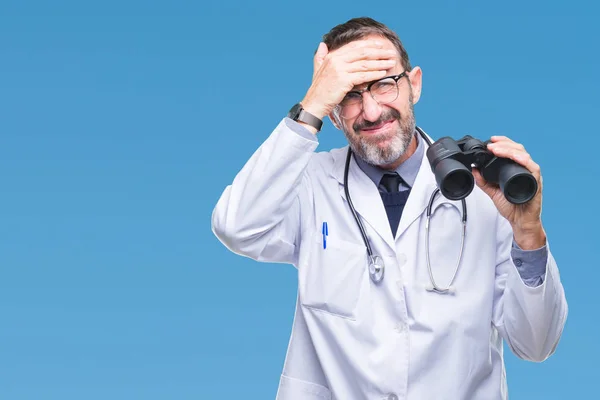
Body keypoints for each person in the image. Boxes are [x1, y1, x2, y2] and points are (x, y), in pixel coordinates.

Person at [211, 17, 568, 400]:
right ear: (332, 111)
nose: (370, 110)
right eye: (348, 94)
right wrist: (311, 103)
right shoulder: (307, 184)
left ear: (413, 84)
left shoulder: (484, 191)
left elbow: (536, 343)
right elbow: (236, 227)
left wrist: (528, 233)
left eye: (384, 84)